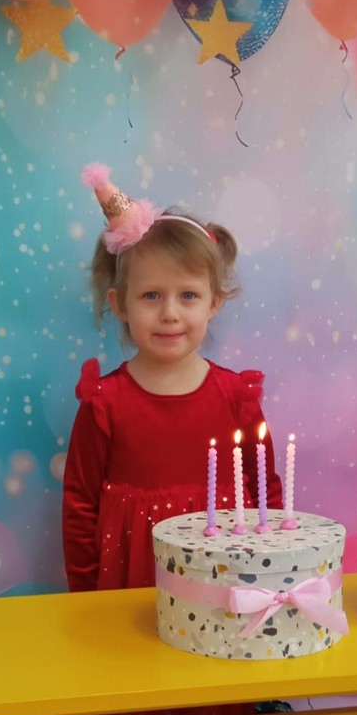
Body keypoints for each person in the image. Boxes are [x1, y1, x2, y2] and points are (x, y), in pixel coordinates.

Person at [62, 162, 283, 595]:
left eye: (188, 295)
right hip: (131, 585)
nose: (169, 313)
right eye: (151, 295)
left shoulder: (236, 399)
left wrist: (271, 574)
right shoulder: (104, 403)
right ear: (120, 304)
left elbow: (266, 494)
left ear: (213, 303)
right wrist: (86, 598)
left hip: (224, 582)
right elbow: (80, 508)